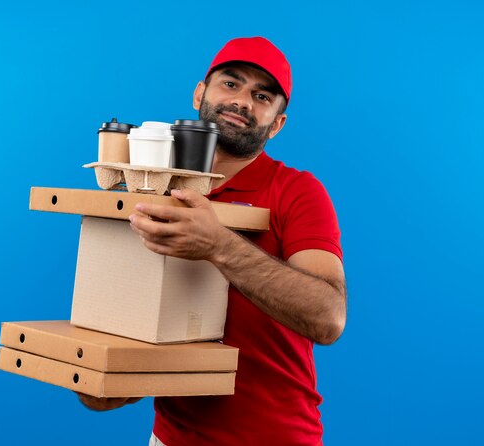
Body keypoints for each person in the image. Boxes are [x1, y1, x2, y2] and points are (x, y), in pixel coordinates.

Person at [77, 36, 347, 446]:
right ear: (200, 93)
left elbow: (329, 318)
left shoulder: (296, 192)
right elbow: (128, 359)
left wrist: (219, 245)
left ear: (277, 123)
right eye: (231, 84)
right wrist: (105, 370)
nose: (242, 102)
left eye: (262, 96)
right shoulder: (154, 190)